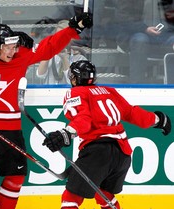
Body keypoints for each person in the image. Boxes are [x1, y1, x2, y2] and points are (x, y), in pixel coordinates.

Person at [0, 12, 92, 209]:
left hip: (9, 127)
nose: (12, 51)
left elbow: (48, 48)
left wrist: (72, 29)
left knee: (16, 177)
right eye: (7, 46)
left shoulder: (21, 55)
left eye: (14, 46)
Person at [42, 60, 172, 209]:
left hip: (98, 152)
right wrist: (158, 120)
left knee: (71, 197)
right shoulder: (109, 91)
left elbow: (84, 119)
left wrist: (65, 134)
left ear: (75, 78)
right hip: (122, 154)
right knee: (104, 195)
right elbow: (131, 112)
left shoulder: (75, 92)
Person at [115, 0, 174, 83]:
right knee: (140, 40)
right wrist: (144, 28)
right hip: (136, 32)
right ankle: (137, 85)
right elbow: (122, 17)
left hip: (165, 34)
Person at [36, 20, 88, 84]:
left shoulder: (80, 59)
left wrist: (64, 59)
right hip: (49, 92)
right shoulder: (50, 55)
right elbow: (40, 75)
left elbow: (73, 82)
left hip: (69, 93)